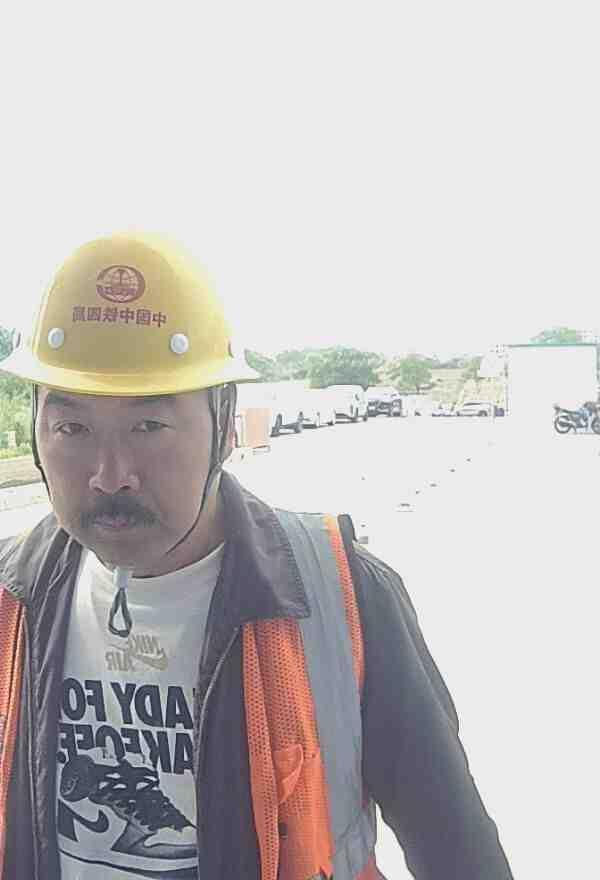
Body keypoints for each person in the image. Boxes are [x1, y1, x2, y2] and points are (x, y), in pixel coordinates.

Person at [0, 233, 514, 880]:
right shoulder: (11, 598)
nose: (110, 476)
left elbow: (457, 848)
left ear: (224, 425)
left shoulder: (340, 597)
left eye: (149, 426)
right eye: (72, 428)